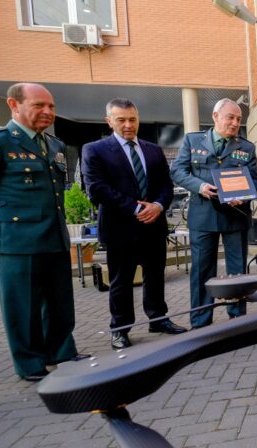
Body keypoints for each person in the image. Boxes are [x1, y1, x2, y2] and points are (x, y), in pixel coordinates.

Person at [0, 82, 85, 382]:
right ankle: (30, 363)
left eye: (51, 106)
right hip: (16, 240)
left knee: (59, 301)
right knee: (22, 305)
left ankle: (62, 351)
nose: (47, 112)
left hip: (52, 235)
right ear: (13, 105)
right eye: (39, 105)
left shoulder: (53, 145)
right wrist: (0, 219)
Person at [81, 98, 187, 349]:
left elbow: (165, 185)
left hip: (153, 225)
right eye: (121, 120)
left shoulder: (152, 149)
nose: (128, 125)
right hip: (120, 229)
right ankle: (120, 328)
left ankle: (158, 318)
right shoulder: (94, 150)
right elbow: (97, 189)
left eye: (132, 119)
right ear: (109, 121)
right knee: (121, 281)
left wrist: (158, 206)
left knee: (155, 277)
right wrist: (137, 208)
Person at [170, 99, 257, 329]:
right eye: (230, 117)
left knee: (238, 271)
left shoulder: (247, 147)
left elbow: (254, 182)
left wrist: (246, 195)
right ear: (215, 116)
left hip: (235, 215)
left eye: (239, 119)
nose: (235, 123)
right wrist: (199, 186)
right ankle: (200, 321)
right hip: (203, 216)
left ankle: (237, 319)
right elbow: (178, 170)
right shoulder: (193, 140)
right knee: (201, 270)